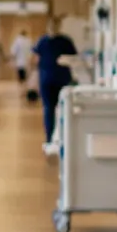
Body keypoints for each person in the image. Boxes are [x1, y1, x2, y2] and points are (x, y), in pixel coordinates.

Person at [33, 21, 80, 152]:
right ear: (47, 27)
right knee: (48, 109)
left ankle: (64, 138)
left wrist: (65, 61)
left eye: (55, 26)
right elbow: (36, 58)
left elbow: (73, 58)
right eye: (50, 26)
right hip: (46, 80)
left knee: (64, 109)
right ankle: (49, 139)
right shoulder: (42, 41)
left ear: (58, 27)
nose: (52, 28)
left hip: (62, 79)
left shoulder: (65, 41)